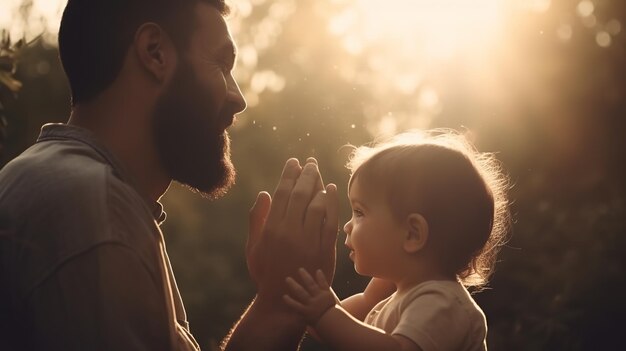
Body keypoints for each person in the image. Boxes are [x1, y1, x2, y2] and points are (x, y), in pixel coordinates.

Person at [0, 0, 338, 350]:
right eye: (222, 64)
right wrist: (279, 307)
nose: (238, 98)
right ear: (155, 53)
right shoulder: (95, 209)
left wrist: (280, 302)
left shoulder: (76, 191)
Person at [283, 130, 511, 351]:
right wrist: (312, 297)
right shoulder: (395, 290)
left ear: (412, 234)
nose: (347, 226)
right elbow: (332, 324)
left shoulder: (442, 302)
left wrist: (324, 312)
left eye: (359, 212)